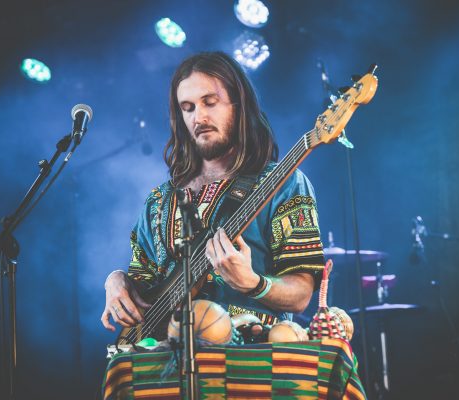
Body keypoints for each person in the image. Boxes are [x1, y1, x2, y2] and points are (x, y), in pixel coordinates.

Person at [101, 51, 325, 336]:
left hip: (250, 359)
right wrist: (115, 280)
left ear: (237, 105)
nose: (199, 117)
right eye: (188, 107)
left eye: (210, 102)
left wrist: (253, 283)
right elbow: (142, 285)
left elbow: (301, 295)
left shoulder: (284, 183)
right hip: (164, 360)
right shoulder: (159, 202)